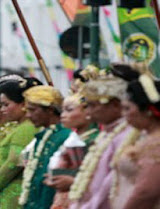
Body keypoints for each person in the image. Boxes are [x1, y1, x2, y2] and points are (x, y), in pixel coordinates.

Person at [69, 75, 135, 209]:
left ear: (115, 105)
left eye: (92, 105)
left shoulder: (128, 136)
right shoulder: (106, 134)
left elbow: (108, 185)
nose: (88, 112)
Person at [0, 78, 40, 209]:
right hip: (7, 190)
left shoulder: (27, 128)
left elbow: (13, 162)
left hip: (16, 191)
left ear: (23, 104)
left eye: (6, 105)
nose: (2, 109)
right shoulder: (18, 127)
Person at [111, 72, 160, 209]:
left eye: (127, 108)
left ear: (148, 111)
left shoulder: (156, 143)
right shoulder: (147, 136)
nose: (123, 114)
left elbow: (147, 192)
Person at [19, 85, 72, 209]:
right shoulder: (42, 136)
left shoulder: (67, 137)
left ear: (50, 110)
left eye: (32, 110)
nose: (28, 115)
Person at [43, 93, 99, 209]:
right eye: (62, 111)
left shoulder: (95, 141)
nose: (63, 115)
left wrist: (72, 181)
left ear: (88, 112)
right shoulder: (73, 138)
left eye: (69, 110)